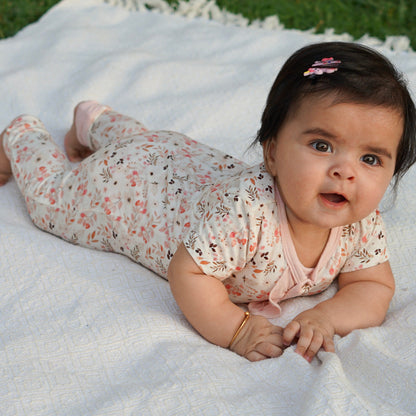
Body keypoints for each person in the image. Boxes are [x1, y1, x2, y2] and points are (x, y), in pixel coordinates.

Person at [1, 42, 415, 362]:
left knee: (149, 145)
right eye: (322, 144)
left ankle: (93, 121)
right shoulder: (246, 211)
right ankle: (20, 137)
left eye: (370, 158)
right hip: (129, 185)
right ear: (272, 152)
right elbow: (189, 273)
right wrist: (235, 329)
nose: (346, 171)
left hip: (176, 161)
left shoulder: (358, 220)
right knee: (52, 203)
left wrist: (327, 316)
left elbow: (373, 285)